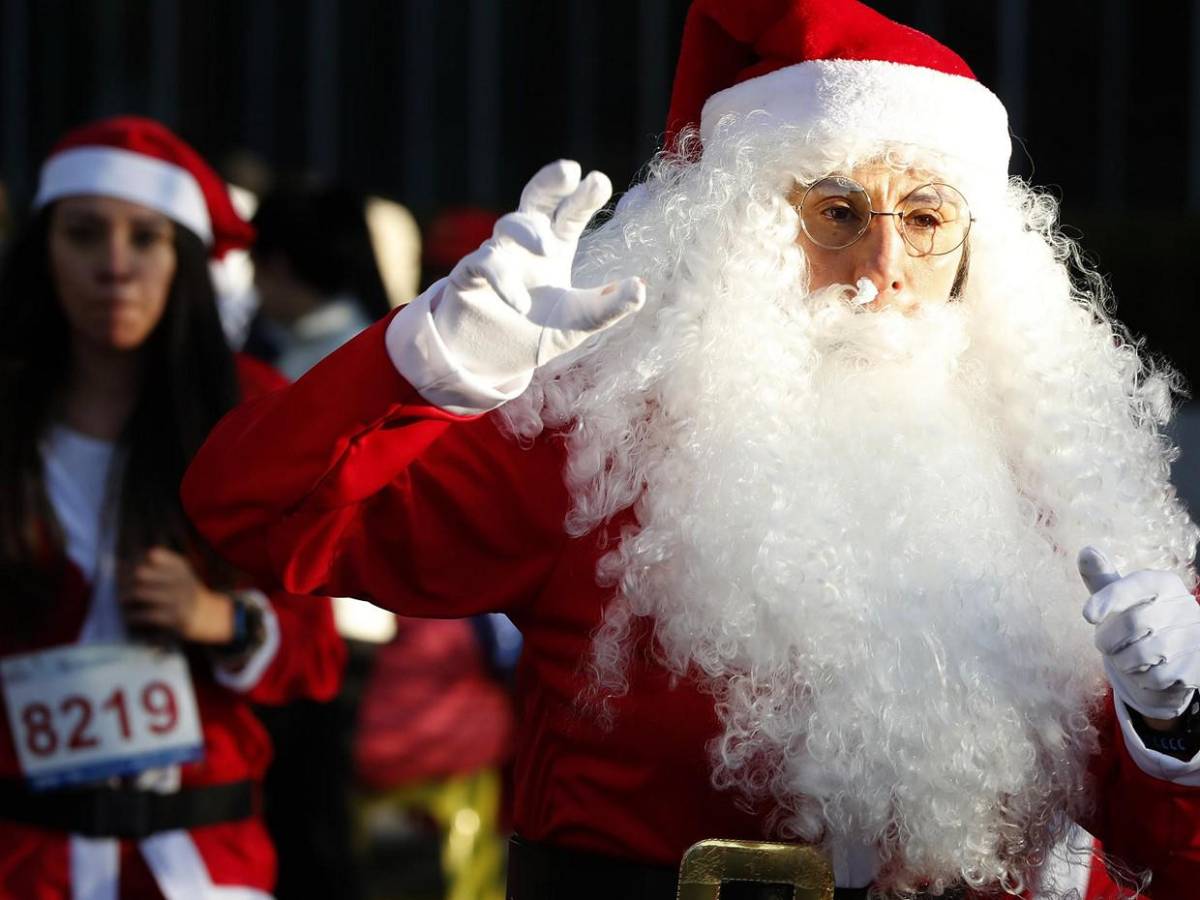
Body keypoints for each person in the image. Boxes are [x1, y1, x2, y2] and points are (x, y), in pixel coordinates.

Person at [183, 2, 1200, 897]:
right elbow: (251, 514)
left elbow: (1171, 856)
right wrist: (430, 368)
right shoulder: (605, 444)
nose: (885, 264)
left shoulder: (1059, 486)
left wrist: (1174, 730)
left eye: (927, 216)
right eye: (837, 214)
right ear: (741, 237)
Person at [0, 116, 345, 898]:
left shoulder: (252, 411)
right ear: (43, 250)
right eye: (83, 234)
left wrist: (223, 620)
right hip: (25, 864)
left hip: (204, 863)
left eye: (146, 238)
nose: (115, 266)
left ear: (183, 258)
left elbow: (316, 652)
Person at [248, 184, 390, 381]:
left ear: (278, 265)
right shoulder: (358, 341)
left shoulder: (329, 359)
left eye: (253, 265)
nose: (253, 282)